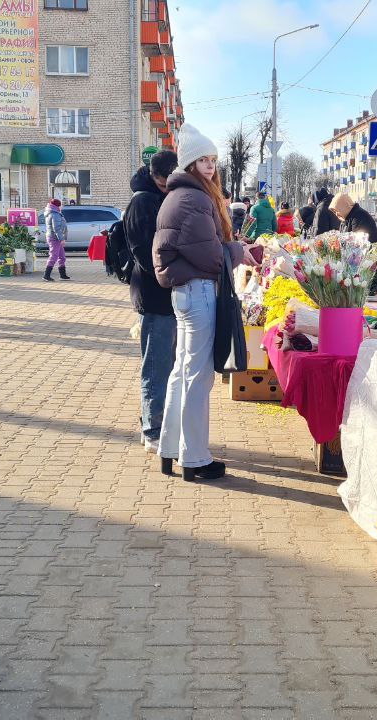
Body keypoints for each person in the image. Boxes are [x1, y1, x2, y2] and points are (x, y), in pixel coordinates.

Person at [152, 124, 249, 482]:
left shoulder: (179, 196)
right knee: (197, 376)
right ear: (190, 163)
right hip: (199, 291)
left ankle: (171, 450)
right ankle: (193, 458)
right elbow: (210, 256)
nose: (210, 166)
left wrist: (233, 251)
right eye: (203, 160)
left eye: (213, 160)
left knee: (182, 373)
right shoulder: (193, 199)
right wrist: (239, 251)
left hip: (186, 292)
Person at [124, 150, 179, 453]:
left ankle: (153, 419)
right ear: (156, 176)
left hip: (167, 295)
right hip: (154, 295)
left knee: (167, 365)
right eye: (165, 178)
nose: (168, 183)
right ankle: (152, 429)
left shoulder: (162, 197)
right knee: (156, 366)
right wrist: (174, 272)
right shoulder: (142, 202)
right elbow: (146, 254)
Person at [42, 197, 70, 281]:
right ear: (57, 206)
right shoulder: (55, 214)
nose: (61, 207)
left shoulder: (53, 212)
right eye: (60, 205)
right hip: (55, 238)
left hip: (55, 237)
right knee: (54, 256)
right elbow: (56, 228)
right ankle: (46, 275)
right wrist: (61, 239)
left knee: (62, 256)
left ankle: (62, 275)